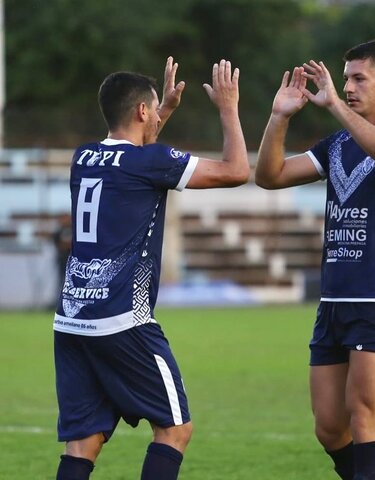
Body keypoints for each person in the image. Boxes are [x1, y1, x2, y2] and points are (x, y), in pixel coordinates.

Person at [53, 56, 249, 480]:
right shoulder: (150, 161)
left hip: (72, 321)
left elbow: (133, 158)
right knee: (175, 429)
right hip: (124, 321)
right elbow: (237, 171)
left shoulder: (83, 157)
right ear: (143, 111)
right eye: (154, 108)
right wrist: (229, 108)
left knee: (83, 442)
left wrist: (164, 113)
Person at [255, 39, 375, 480]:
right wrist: (279, 117)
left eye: (359, 78)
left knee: (366, 423)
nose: (348, 86)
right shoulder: (336, 145)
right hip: (333, 303)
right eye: (346, 77)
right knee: (330, 428)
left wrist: (334, 105)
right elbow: (269, 176)